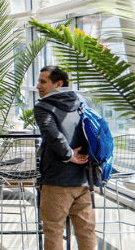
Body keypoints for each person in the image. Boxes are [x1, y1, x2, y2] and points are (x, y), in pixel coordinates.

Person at [34, 66, 94, 250]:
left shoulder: (44, 107)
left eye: (43, 82)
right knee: (86, 232)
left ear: (58, 84)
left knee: (53, 230)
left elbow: (52, 135)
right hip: (83, 180)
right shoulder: (82, 102)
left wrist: (69, 156)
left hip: (56, 181)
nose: (38, 86)